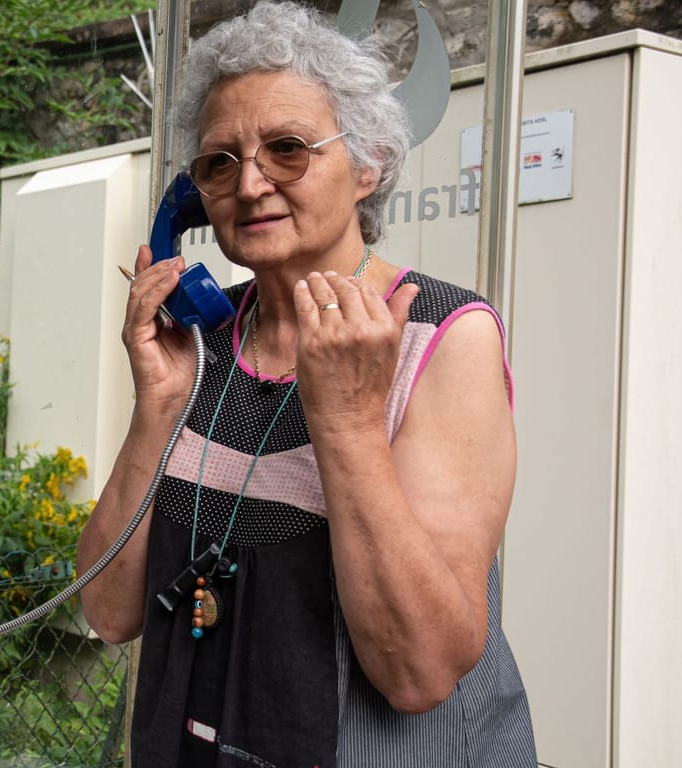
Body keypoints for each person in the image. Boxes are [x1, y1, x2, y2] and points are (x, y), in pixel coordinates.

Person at [75, 3, 537, 766]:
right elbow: (109, 609)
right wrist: (156, 409)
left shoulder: (444, 339)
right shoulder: (203, 345)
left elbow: (420, 670)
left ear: (369, 164)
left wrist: (351, 425)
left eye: (287, 149)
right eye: (218, 163)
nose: (249, 185)